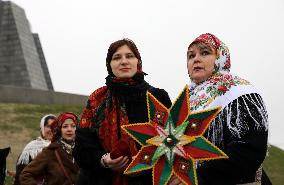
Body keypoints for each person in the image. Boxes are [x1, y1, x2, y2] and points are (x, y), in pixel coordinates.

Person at [172, 33, 270, 185]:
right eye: (191, 56)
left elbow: (249, 149)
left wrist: (199, 177)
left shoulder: (238, 91)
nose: (196, 59)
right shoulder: (186, 101)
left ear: (221, 57)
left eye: (205, 53)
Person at [73, 38, 172, 185]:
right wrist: (104, 159)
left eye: (129, 56)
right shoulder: (97, 100)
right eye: (117, 57)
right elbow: (82, 148)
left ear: (138, 61)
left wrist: (143, 164)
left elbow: (173, 141)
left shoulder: (157, 97)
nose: (124, 61)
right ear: (109, 65)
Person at [20, 112, 79, 185]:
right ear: (59, 130)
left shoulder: (82, 151)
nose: (69, 129)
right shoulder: (50, 151)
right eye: (65, 126)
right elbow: (26, 174)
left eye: (73, 126)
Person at [14, 114, 56, 185]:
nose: (51, 129)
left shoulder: (62, 147)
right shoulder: (31, 149)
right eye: (48, 126)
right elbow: (20, 176)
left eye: (54, 126)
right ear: (42, 128)